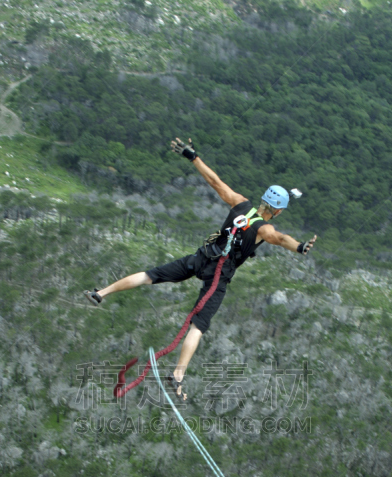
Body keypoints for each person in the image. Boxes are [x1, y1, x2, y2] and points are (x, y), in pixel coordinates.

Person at [84, 137, 317, 401]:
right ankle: (178, 375)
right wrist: (299, 247)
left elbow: (215, 181)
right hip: (218, 275)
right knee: (198, 325)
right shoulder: (265, 229)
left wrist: (192, 156)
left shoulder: (240, 203)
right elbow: (280, 239)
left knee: (151, 275)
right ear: (277, 211)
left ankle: (100, 293)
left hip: (202, 257)